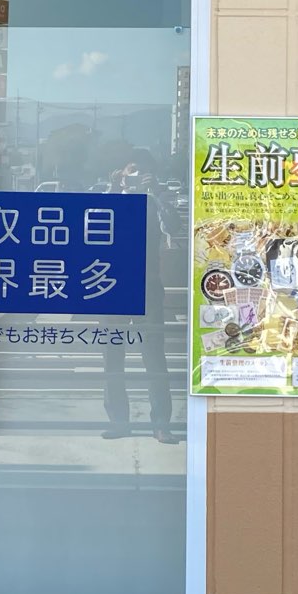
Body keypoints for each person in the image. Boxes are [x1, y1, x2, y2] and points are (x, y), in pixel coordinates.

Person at [102, 163, 176, 442]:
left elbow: (174, 226)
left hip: (148, 286)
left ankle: (161, 424)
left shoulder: (153, 201)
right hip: (110, 286)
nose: (132, 181)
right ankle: (118, 421)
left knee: (154, 355)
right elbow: (90, 223)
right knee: (112, 356)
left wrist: (155, 191)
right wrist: (113, 188)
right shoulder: (111, 199)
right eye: (127, 174)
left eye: (137, 174)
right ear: (119, 176)